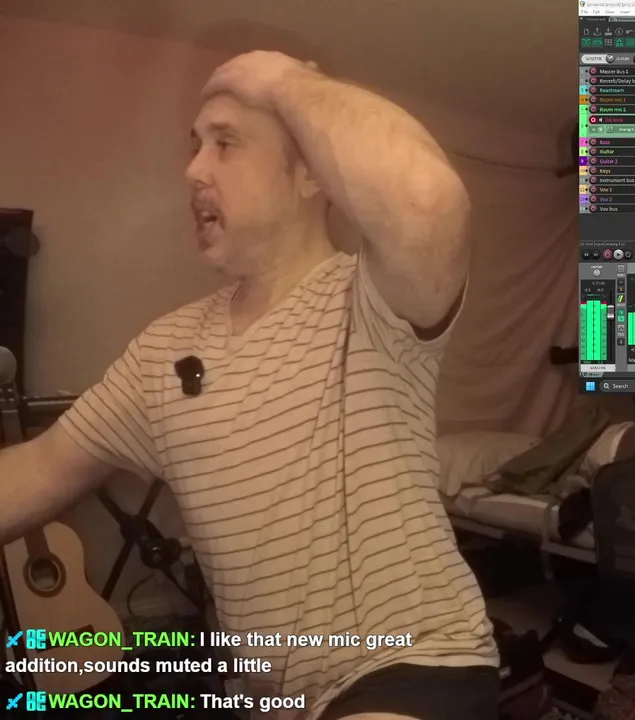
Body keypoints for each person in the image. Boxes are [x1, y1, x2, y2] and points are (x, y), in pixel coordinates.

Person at [0, 51, 498, 720]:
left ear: (310, 173)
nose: (193, 170)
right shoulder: (163, 350)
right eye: (195, 146)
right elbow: (40, 467)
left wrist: (279, 79)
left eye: (226, 143)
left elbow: (426, 199)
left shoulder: (373, 300)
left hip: (411, 662)